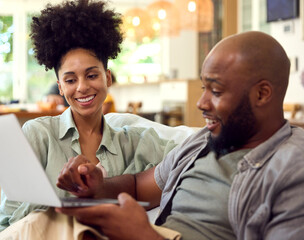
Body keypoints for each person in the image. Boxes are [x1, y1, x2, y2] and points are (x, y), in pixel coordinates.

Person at [54, 31, 304, 240]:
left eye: (215, 91)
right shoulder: (203, 140)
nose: (201, 103)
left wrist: (143, 236)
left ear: (262, 94)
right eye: (203, 87)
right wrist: (99, 186)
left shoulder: (293, 169)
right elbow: (139, 187)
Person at [0, 1, 176, 239]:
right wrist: (64, 198)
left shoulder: (137, 142)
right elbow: (12, 219)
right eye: (70, 80)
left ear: (107, 78)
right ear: (60, 87)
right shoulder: (38, 133)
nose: (82, 87)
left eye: (92, 75)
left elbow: (186, 161)